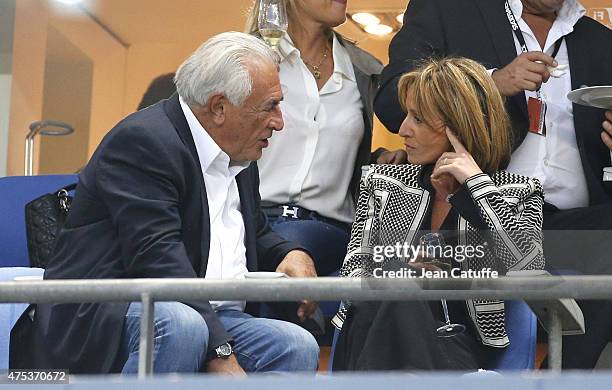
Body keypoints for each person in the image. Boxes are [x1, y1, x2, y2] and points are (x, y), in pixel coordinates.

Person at [11, 32, 319, 375]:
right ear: (219, 107)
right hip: (107, 313)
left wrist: (288, 253)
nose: (279, 122)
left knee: (296, 345)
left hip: (209, 313)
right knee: (180, 325)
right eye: (269, 106)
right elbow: (156, 257)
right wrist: (221, 352)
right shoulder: (144, 142)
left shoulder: (240, 149)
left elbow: (251, 228)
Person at [374, 0, 612, 368]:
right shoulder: (446, 10)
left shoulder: (601, 41)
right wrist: (489, 82)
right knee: (397, 279)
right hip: (477, 213)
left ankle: (560, 376)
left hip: (569, 224)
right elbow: (392, 102)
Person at [332, 57, 545, 371]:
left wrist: (476, 186)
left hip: (455, 349)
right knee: (399, 289)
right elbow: (354, 272)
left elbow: (528, 269)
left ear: (460, 125)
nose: (403, 129)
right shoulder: (384, 184)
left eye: (418, 119)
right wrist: (404, 269)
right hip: (374, 337)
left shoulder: (517, 192)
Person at [245, 0, 407, 279]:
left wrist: (376, 160)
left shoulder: (366, 70)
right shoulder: (245, 58)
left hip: (333, 233)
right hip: (254, 223)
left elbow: (334, 153)